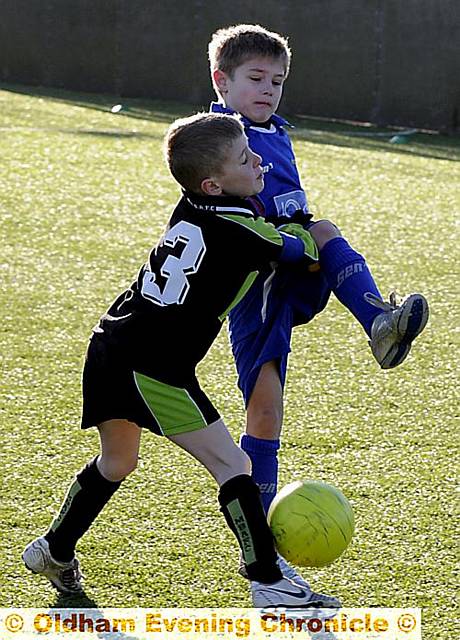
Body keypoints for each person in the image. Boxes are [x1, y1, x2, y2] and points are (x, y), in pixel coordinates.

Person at [22, 112, 340, 609]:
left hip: (111, 343)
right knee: (232, 462)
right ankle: (268, 582)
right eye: (244, 158)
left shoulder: (192, 202)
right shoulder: (243, 234)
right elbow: (301, 247)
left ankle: (53, 550)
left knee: (118, 461)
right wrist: (322, 232)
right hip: (151, 364)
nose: (258, 159)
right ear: (213, 184)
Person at [207, 24, 429, 576]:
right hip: (257, 276)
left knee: (324, 229)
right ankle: (257, 542)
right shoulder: (220, 134)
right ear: (222, 81)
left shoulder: (277, 130)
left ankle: (378, 319)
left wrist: (299, 231)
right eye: (255, 79)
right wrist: (283, 232)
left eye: (277, 82)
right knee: (265, 408)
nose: (268, 90)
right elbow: (224, 204)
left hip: (292, 260)